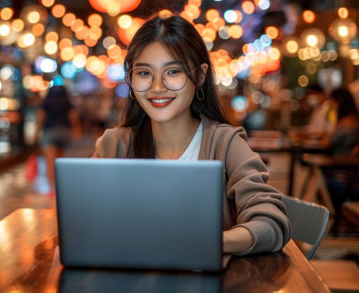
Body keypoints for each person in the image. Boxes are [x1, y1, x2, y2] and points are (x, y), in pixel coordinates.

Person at [92, 15, 291, 255]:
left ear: (199, 76)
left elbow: (271, 223)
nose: (157, 87)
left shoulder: (224, 143)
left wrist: (209, 243)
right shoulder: (113, 145)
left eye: (173, 71)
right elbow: (84, 219)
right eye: (144, 73)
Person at [36, 85, 81, 194]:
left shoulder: (46, 102)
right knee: (61, 162)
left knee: (51, 163)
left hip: (50, 131)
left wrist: (37, 131)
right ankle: (61, 188)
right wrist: (77, 129)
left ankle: (52, 189)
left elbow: (41, 117)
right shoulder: (67, 102)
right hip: (65, 132)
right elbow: (73, 117)